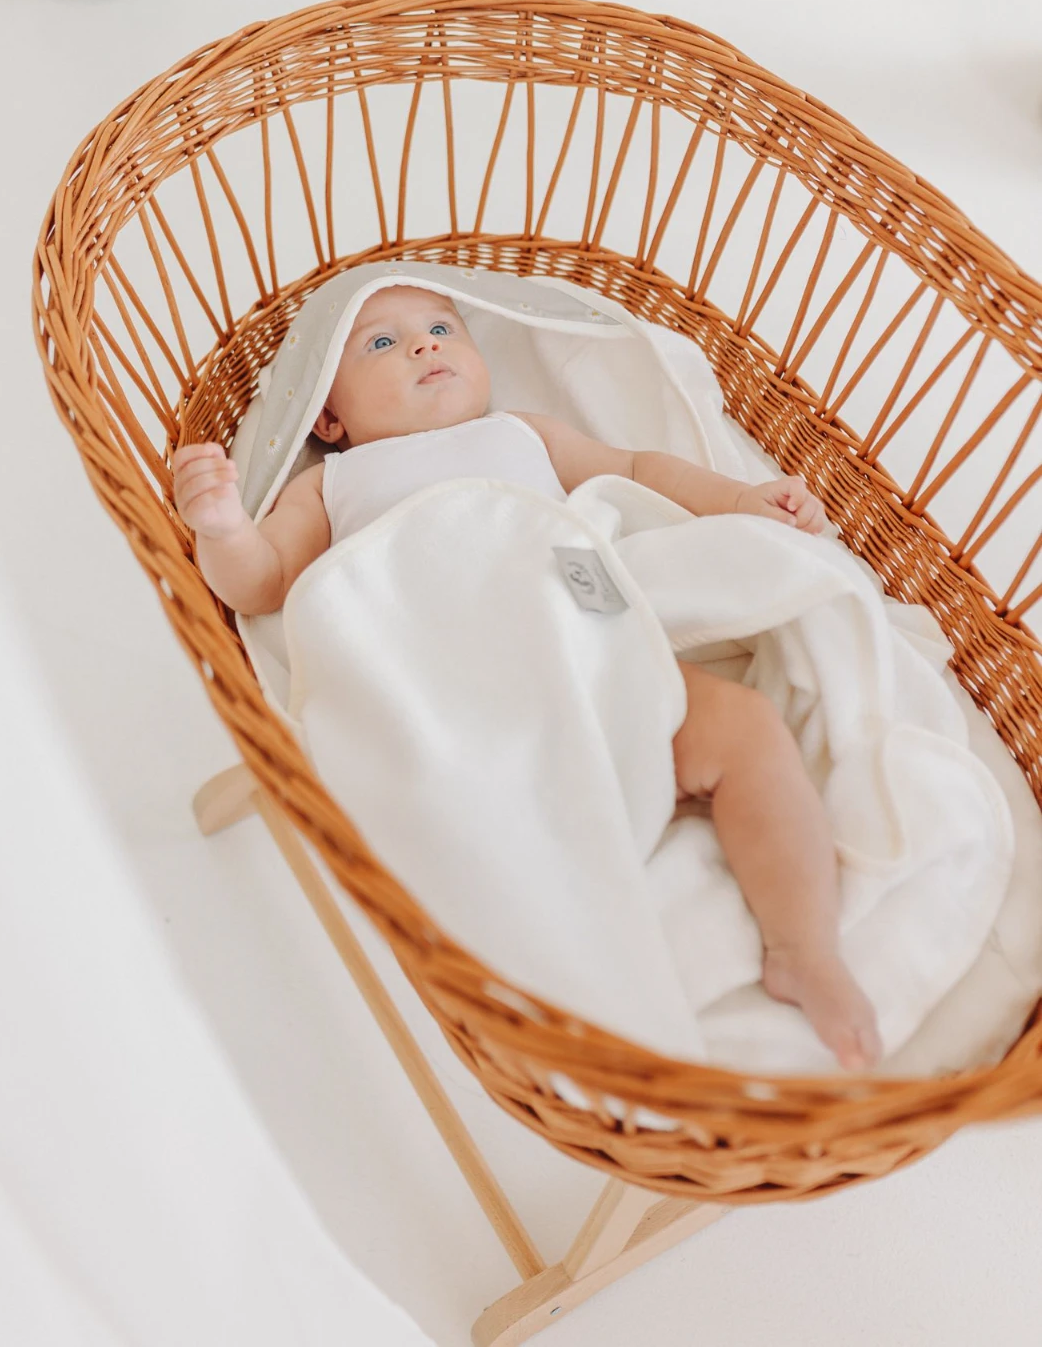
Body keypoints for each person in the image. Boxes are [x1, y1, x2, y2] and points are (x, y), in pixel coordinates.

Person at [173, 283, 882, 1071]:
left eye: (441, 327)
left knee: (745, 727)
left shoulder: (523, 433)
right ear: (329, 421)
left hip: (592, 653)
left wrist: (740, 498)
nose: (425, 346)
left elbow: (638, 469)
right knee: (473, 821)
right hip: (469, 694)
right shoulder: (334, 484)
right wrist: (225, 530)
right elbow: (266, 582)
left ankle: (804, 948)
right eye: (381, 343)